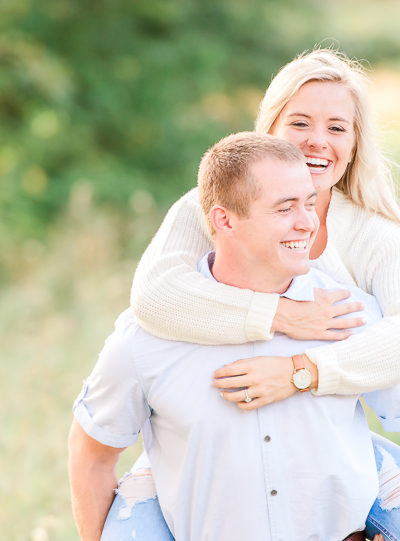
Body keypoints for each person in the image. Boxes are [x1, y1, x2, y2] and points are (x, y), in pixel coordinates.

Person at [113, 48, 400, 541]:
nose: (318, 141)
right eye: (300, 123)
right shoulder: (216, 208)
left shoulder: (375, 236)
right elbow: (154, 296)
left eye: (336, 128)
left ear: (354, 145)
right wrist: (279, 315)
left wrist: (300, 371)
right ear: (269, 130)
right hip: (206, 446)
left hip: (330, 439)